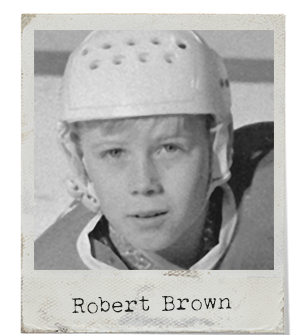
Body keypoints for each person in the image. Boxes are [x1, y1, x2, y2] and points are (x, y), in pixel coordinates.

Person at [35, 30, 273, 270]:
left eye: (170, 148)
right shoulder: (45, 284)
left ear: (217, 148)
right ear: (80, 162)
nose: (144, 184)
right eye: (115, 153)